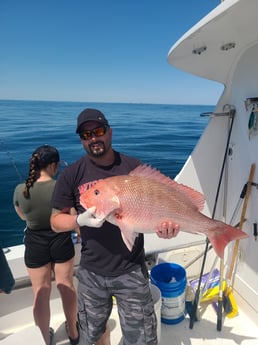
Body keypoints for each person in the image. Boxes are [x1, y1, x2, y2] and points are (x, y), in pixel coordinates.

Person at [50, 109, 179, 345]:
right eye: (86, 134)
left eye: (98, 131)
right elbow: (55, 222)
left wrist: (166, 230)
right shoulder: (71, 175)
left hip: (131, 268)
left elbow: (158, 207)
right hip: (91, 272)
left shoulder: (133, 167)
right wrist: (77, 221)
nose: (93, 138)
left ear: (109, 132)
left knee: (141, 338)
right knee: (90, 334)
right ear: (81, 140)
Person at [13, 145, 79, 345]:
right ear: (53, 165)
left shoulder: (20, 189)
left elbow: (22, 216)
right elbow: (73, 217)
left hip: (35, 243)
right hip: (60, 240)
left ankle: (43, 338)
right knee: (66, 286)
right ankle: (74, 333)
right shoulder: (62, 187)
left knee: (40, 293)